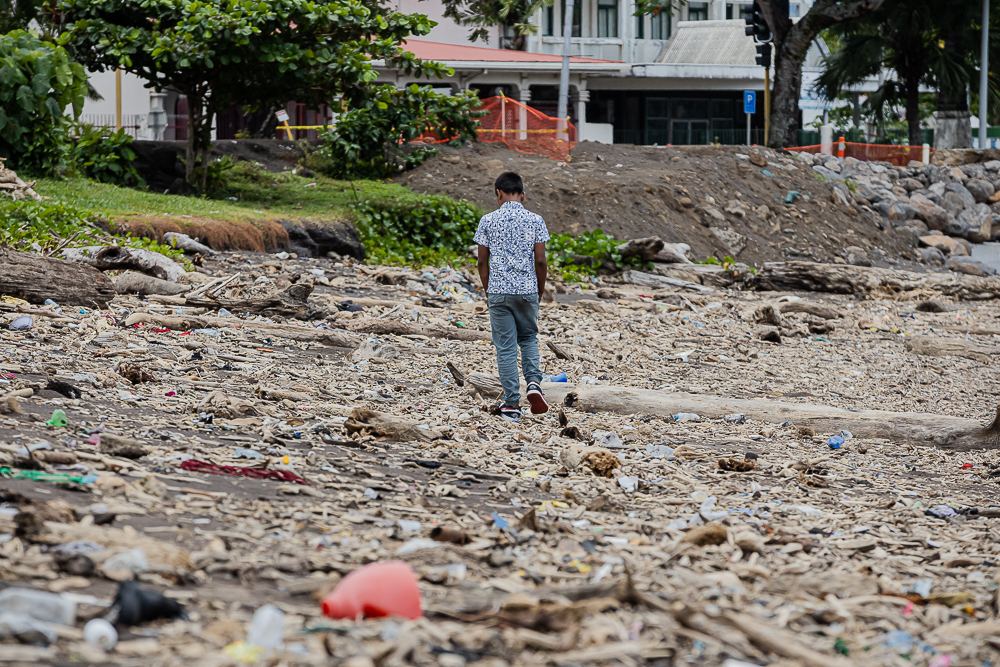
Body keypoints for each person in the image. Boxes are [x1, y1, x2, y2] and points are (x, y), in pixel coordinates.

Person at [474, 171, 549, 422]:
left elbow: (481, 262)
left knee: (505, 347)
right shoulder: (536, 220)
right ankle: (534, 384)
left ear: (498, 193)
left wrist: (489, 290)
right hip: (527, 290)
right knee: (528, 338)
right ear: (522, 195)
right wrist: (539, 290)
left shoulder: (487, 220)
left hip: (498, 291)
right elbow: (540, 260)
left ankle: (511, 405)